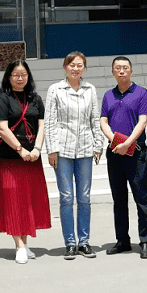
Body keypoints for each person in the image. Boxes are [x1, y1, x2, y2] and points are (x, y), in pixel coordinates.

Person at [44, 51, 105, 260]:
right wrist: (51, 148)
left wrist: (99, 144)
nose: (76, 68)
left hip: (86, 149)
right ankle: (70, 242)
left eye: (80, 65)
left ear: (84, 68)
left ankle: (84, 242)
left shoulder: (90, 89)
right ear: (65, 67)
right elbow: (50, 121)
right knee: (67, 197)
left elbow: (94, 119)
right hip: (62, 150)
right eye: (72, 65)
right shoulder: (55, 90)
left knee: (84, 197)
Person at [0, 59, 51, 264]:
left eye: (23, 75)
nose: (19, 78)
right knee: (13, 201)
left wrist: (36, 149)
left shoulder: (35, 98)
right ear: (9, 77)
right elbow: (2, 128)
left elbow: (42, 125)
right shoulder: (2, 98)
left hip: (33, 157)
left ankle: (25, 243)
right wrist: (20, 149)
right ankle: (18, 245)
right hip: (10, 158)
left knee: (28, 201)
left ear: (28, 76)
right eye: (15, 75)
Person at [100, 56, 147, 259]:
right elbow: (103, 122)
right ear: (113, 72)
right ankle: (122, 240)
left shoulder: (141, 94)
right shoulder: (108, 96)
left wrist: (127, 143)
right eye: (117, 68)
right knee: (119, 199)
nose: (121, 71)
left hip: (137, 153)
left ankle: (146, 241)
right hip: (115, 153)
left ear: (131, 71)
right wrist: (116, 142)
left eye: (125, 68)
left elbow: (142, 123)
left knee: (142, 198)